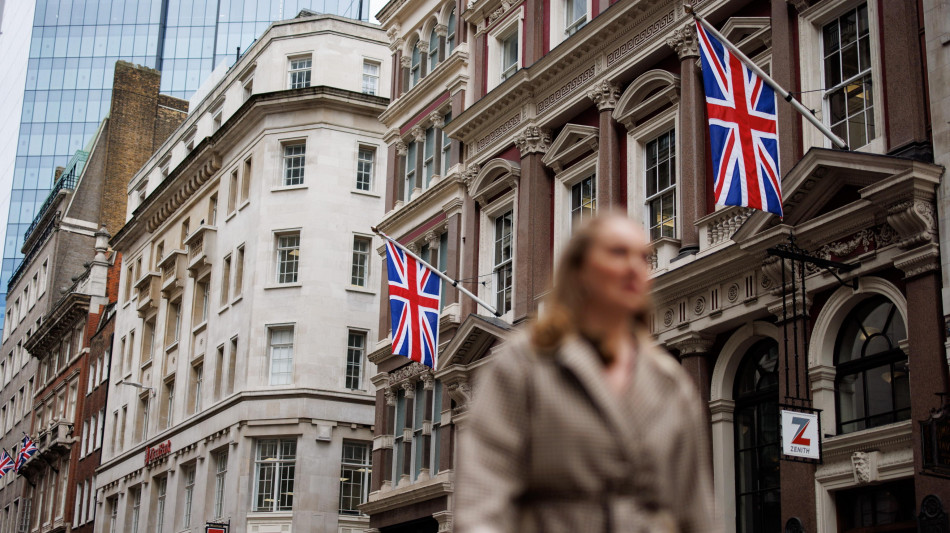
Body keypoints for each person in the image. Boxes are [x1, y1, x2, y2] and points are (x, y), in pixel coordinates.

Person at [455, 214, 719, 533]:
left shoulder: (668, 381)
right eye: (618, 253)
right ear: (579, 271)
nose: (635, 266)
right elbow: (483, 492)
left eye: (643, 257)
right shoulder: (525, 362)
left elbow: (694, 509)